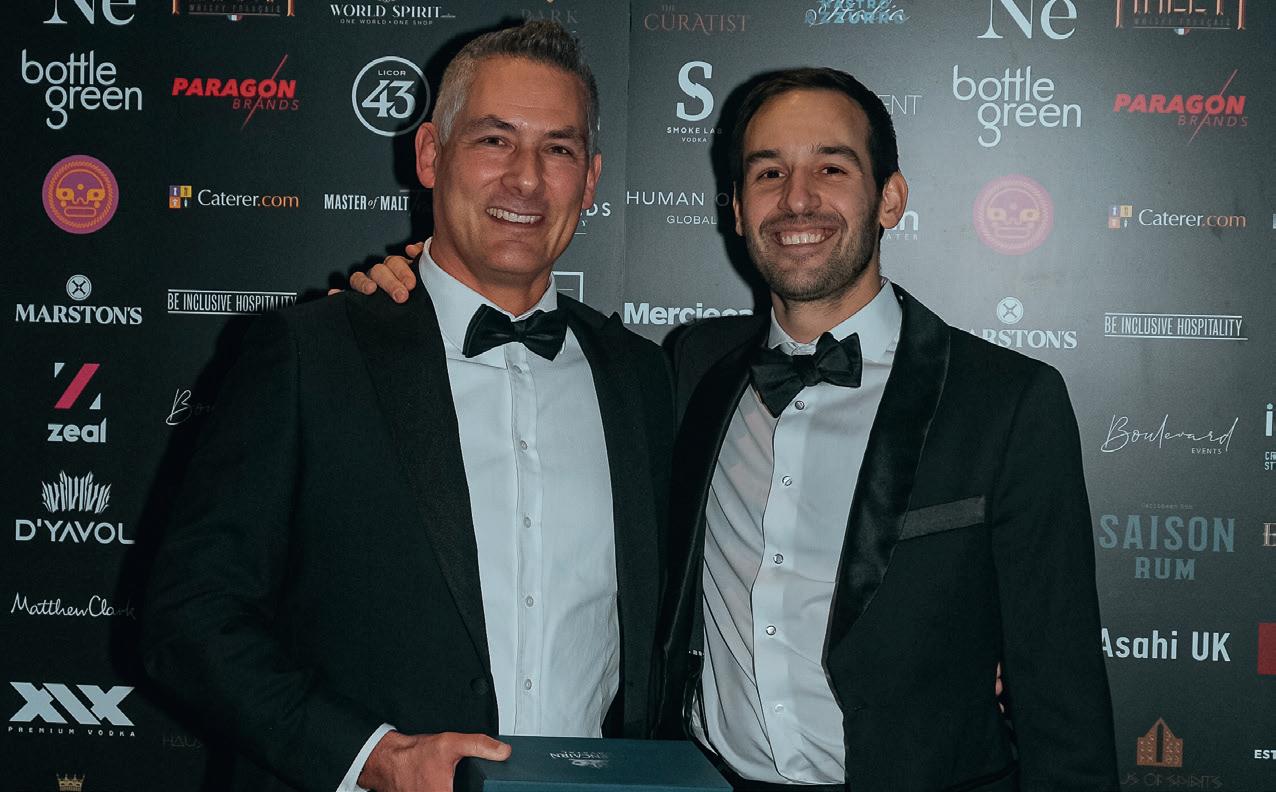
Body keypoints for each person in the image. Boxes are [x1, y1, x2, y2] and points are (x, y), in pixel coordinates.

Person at [353, 68, 1117, 791]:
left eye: (832, 168)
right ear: (738, 208)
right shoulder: (690, 371)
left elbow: (1065, 707)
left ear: (890, 198)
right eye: (768, 172)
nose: (797, 199)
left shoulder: (1006, 402)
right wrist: (414, 292)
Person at [142, 22, 673, 792]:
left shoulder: (641, 379)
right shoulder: (311, 354)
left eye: (557, 149)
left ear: (589, 180)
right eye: (494, 140)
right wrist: (372, 758)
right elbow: (190, 615)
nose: (525, 180)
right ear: (430, 154)